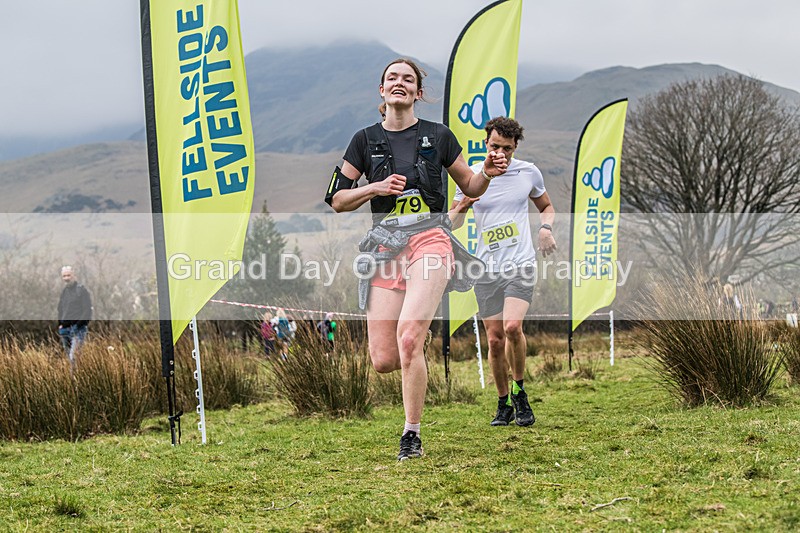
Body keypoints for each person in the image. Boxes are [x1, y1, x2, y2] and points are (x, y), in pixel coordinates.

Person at [325, 58, 508, 460]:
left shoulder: (438, 136)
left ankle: (411, 433)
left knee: (408, 338)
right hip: (386, 248)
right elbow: (337, 199)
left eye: (408, 79)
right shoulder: (363, 140)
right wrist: (373, 188)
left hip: (431, 239)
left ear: (418, 93)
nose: (400, 83)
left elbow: (470, 184)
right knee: (385, 359)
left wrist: (489, 172)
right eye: (392, 77)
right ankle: (415, 347)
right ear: (382, 90)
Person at [449, 117, 556, 428]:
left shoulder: (528, 172)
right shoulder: (471, 176)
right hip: (486, 269)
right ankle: (503, 403)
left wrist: (545, 228)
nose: (501, 153)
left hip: (520, 264)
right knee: (495, 341)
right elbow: (453, 224)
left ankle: (520, 391)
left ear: (515, 147)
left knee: (512, 328)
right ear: (486, 143)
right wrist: (465, 204)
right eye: (495, 146)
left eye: (507, 149)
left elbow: (546, 206)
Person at [57, 265, 93, 365]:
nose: (66, 278)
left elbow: (87, 311)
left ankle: (75, 380)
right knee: (68, 360)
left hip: (78, 330)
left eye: (68, 275)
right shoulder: (64, 291)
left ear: (74, 275)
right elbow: (60, 309)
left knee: (74, 358)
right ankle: (72, 378)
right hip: (64, 330)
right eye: (64, 276)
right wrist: (60, 324)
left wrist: (78, 325)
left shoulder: (81, 290)